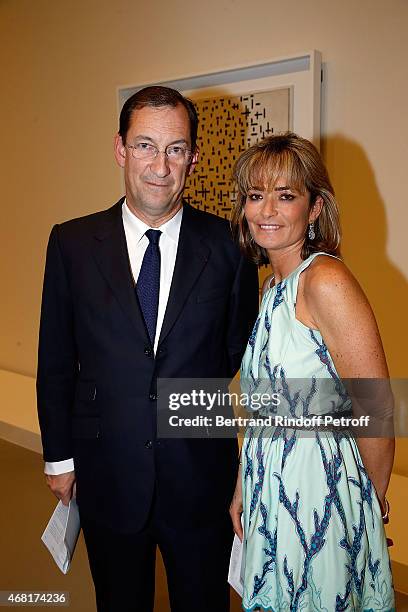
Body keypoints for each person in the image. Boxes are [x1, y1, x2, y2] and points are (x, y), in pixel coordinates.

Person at [37, 85, 259, 612]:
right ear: (120, 149)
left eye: (176, 148)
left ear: (193, 158)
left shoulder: (231, 246)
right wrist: (58, 458)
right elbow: (56, 361)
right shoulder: (70, 243)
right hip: (106, 469)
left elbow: (236, 355)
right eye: (145, 146)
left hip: (200, 474)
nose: (160, 165)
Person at [229, 133, 395, 611]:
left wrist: (364, 506)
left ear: (315, 207)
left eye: (286, 196)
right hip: (271, 489)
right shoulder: (270, 290)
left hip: (320, 495)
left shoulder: (325, 279)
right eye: (256, 196)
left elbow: (376, 409)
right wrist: (245, 483)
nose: (267, 211)